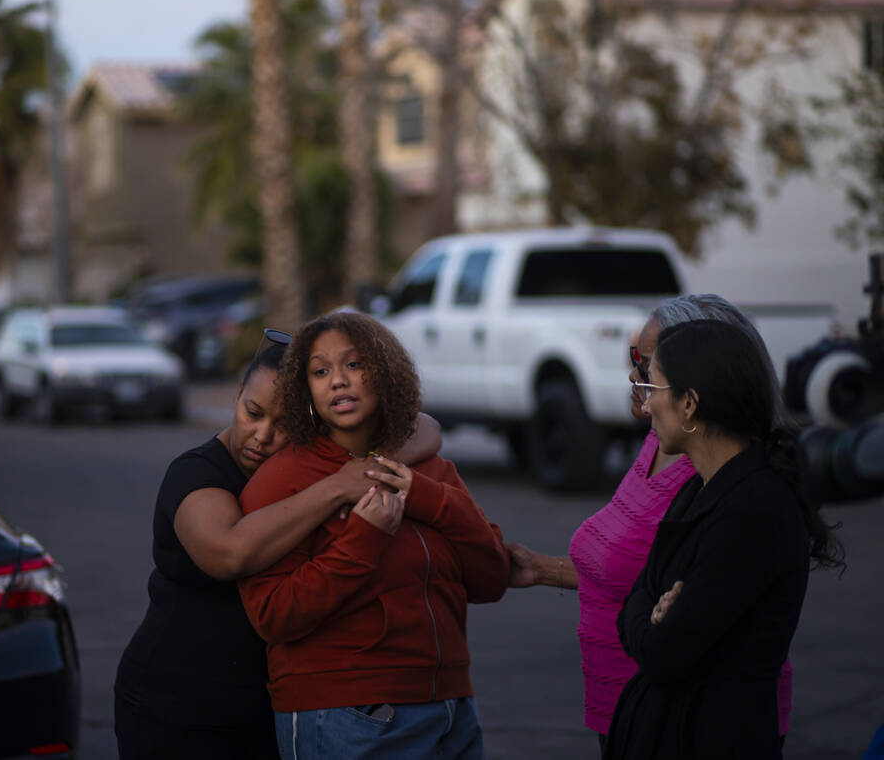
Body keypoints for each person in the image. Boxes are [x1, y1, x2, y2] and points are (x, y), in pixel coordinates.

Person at [113, 337, 443, 759]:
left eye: (285, 424)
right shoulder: (196, 473)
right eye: (252, 412)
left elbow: (426, 427)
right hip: (176, 706)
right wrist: (341, 484)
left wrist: (364, 464)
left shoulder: (305, 469)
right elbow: (228, 553)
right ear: (237, 395)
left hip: (269, 711)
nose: (261, 436)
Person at [505, 294, 796, 752]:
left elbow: (668, 645)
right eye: (637, 360)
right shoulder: (666, 449)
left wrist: (648, 611)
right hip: (640, 713)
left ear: (693, 393)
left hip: (697, 726)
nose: (636, 380)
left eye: (650, 370)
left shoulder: (732, 488)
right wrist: (543, 569)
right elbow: (641, 583)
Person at [237, 312, 509, 760]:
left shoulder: (433, 470)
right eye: (320, 371)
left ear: (386, 372)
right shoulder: (282, 480)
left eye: (354, 364)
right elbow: (273, 614)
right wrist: (363, 538)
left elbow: (490, 579)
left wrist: (432, 499)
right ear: (305, 389)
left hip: (453, 710)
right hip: (348, 715)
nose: (338, 381)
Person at [605, 319, 844, 759]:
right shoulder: (699, 488)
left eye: (653, 387)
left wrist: (652, 614)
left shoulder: (755, 507)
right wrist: (650, 608)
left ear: (690, 403)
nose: (645, 404)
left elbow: (665, 652)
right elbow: (635, 603)